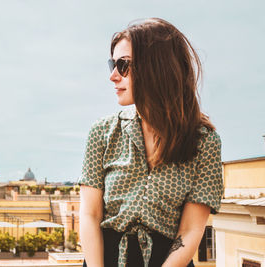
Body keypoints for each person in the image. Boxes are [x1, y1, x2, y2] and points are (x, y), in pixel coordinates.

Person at [78, 18, 223, 267]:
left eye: (123, 65)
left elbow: (191, 230)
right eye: (112, 64)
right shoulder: (102, 132)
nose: (113, 76)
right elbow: (90, 215)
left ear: (157, 67)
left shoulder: (204, 141)